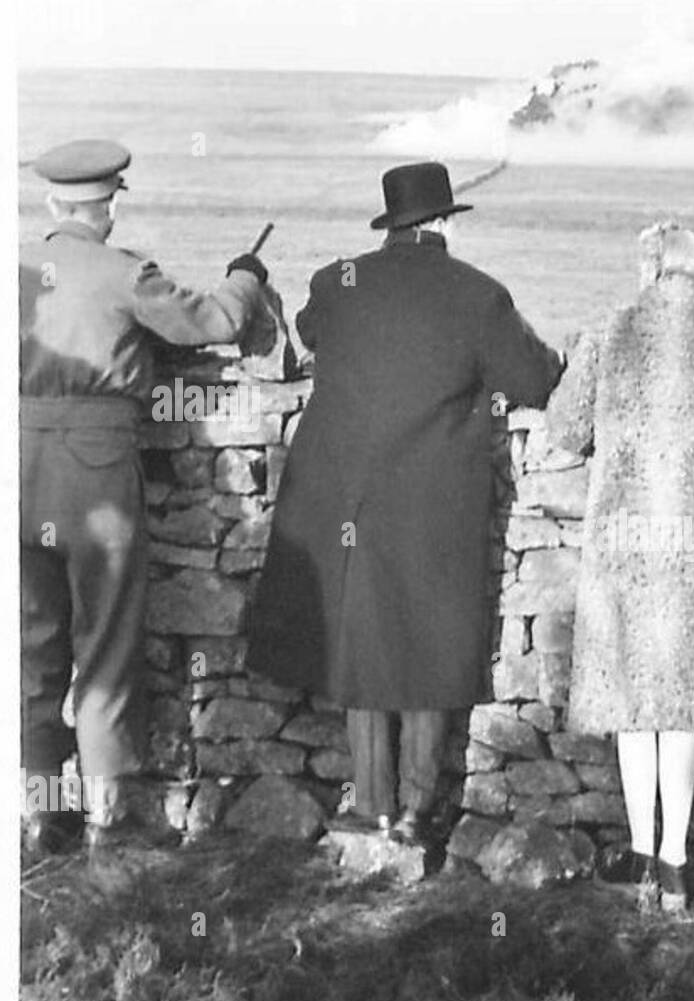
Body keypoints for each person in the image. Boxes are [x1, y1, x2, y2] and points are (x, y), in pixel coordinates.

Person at [247, 162, 565, 844]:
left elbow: (309, 331)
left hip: (344, 492)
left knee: (363, 642)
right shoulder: (479, 296)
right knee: (427, 644)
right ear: (445, 223)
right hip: (433, 499)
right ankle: (419, 813)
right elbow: (533, 380)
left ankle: (372, 804)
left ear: (393, 224)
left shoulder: (340, 282)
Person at [20, 139, 267, 855]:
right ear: (111, 206)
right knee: (104, 645)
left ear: (52, 205)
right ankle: (104, 820)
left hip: (22, 465)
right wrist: (244, 278)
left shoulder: (20, 271)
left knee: (35, 651)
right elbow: (215, 323)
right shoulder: (125, 273)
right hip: (95, 472)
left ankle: (40, 815)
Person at [547, 222, 694, 913]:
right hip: (692, 543)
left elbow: (563, 427)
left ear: (647, 269)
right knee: (681, 705)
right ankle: (674, 868)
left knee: (631, 701)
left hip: (623, 539)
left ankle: (641, 853)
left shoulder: (607, 333)